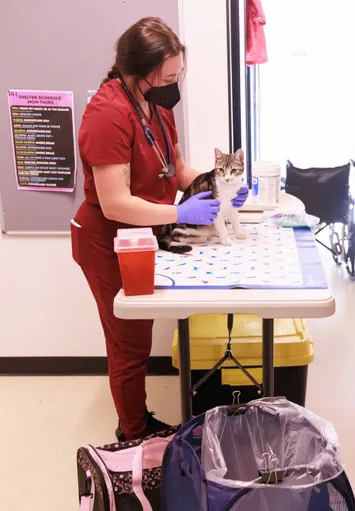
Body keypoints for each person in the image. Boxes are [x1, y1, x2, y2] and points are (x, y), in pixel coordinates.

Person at [71, 17, 249, 442]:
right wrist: (182, 214)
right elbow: (115, 202)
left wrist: (215, 188)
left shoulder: (155, 106)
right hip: (106, 239)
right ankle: (133, 432)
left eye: (178, 74)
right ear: (140, 71)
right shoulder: (107, 113)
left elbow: (178, 167)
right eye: (168, 76)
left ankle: (136, 420)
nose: (175, 83)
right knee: (129, 343)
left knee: (140, 331)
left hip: (139, 234)